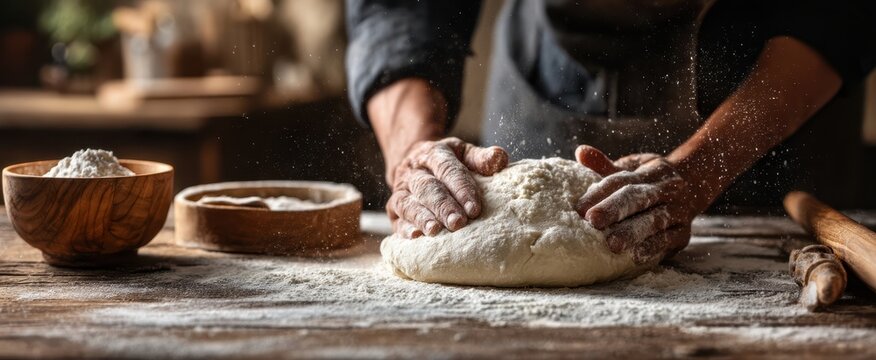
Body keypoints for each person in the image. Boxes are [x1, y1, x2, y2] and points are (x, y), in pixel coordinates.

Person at [345, 0, 876, 264]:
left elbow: (837, 12)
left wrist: (705, 164)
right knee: (502, 246)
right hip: (547, 66)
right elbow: (399, 7)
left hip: (770, 81)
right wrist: (412, 150)